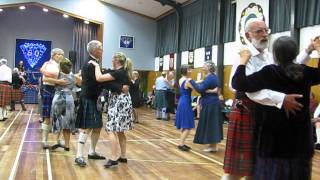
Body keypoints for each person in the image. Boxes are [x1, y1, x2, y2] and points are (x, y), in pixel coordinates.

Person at [222, 18, 319, 180]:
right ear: (248, 35)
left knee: (255, 167)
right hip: (248, 110)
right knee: (237, 170)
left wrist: (308, 50)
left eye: (266, 30)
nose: (264, 34)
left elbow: (289, 69)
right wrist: (281, 98)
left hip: (267, 115)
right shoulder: (244, 56)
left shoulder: (268, 56)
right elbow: (241, 87)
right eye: (259, 31)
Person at [75, 41, 126, 167]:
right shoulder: (90, 63)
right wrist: (119, 87)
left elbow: (101, 79)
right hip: (88, 97)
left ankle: (92, 152)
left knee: (97, 126)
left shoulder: (95, 63)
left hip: (94, 98)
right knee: (87, 127)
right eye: (101, 49)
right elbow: (100, 81)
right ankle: (79, 155)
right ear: (94, 50)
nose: (103, 51)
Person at [89, 52, 133, 168]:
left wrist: (97, 66)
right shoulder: (122, 72)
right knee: (120, 131)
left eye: (112, 59)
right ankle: (123, 157)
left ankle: (113, 158)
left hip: (119, 101)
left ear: (116, 60)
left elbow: (99, 78)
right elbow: (120, 86)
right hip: (123, 100)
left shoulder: (119, 72)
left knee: (111, 129)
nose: (111, 61)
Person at [43, 58, 81, 151]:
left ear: (60, 67)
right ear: (71, 66)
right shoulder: (74, 76)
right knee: (67, 122)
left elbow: (45, 78)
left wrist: (58, 81)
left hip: (58, 97)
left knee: (57, 120)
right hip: (69, 98)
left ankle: (57, 141)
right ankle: (67, 145)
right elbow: (80, 84)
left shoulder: (58, 74)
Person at [188, 61, 223, 152]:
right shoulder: (211, 77)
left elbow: (200, 89)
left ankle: (213, 146)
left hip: (211, 104)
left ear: (208, 68)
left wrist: (191, 81)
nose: (202, 67)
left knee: (211, 124)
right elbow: (206, 88)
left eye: (204, 65)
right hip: (210, 103)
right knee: (211, 123)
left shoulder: (210, 78)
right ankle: (212, 145)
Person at [40, 48, 64, 149]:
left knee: (60, 117)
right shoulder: (49, 64)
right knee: (47, 117)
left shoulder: (60, 65)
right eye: (59, 54)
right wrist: (59, 81)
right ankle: (44, 141)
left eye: (62, 54)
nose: (61, 56)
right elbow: (45, 78)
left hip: (59, 90)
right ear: (53, 55)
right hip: (49, 90)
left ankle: (58, 140)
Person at [175, 65, 195, 151]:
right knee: (187, 125)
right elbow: (197, 87)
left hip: (182, 101)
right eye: (189, 69)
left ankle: (181, 143)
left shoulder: (181, 79)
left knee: (185, 124)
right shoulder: (187, 81)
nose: (191, 71)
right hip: (185, 103)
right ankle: (181, 144)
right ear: (185, 71)